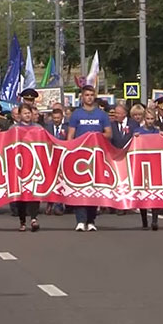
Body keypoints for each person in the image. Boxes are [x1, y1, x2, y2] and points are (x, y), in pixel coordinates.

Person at [67, 85, 112, 231]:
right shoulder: (76, 114)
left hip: (97, 157)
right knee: (80, 188)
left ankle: (91, 220)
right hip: (80, 157)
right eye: (86, 95)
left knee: (94, 189)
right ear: (82, 97)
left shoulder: (101, 115)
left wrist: (96, 136)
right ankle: (80, 220)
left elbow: (108, 134)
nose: (89, 97)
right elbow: (70, 136)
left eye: (91, 95)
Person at [11, 103, 43, 231]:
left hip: (34, 164)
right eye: (25, 113)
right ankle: (22, 220)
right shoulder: (14, 128)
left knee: (34, 192)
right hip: (19, 166)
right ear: (19, 115)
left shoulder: (38, 128)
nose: (27, 115)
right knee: (21, 195)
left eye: (29, 113)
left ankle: (34, 218)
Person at [134, 108, 163, 230]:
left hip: (155, 166)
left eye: (152, 119)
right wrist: (134, 137)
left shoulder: (157, 132)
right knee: (143, 193)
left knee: (154, 193)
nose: (150, 121)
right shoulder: (138, 131)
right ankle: (144, 220)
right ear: (144, 119)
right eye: (148, 119)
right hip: (142, 166)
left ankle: (155, 220)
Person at [44, 108, 68, 216]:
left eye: (58, 118)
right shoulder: (47, 128)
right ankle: (50, 202)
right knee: (51, 181)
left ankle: (59, 205)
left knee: (61, 181)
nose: (56, 120)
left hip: (63, 157)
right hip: (51, 157)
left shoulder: (67, 128)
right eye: (54, 118)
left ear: (62, 117)